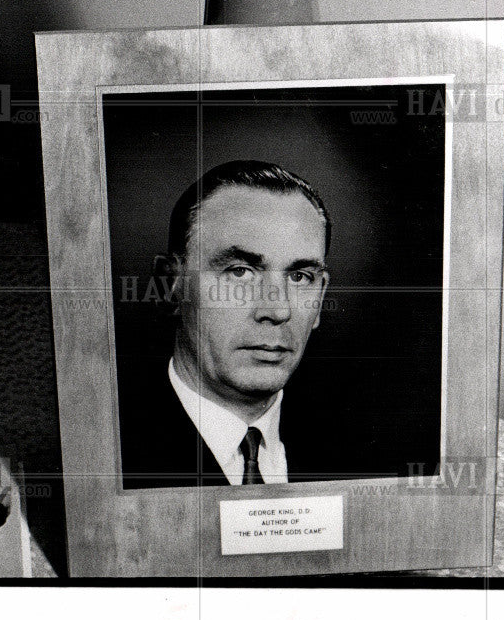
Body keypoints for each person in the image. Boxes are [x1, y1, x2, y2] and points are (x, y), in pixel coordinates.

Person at [119, 160, 340, 489]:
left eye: (299, 276)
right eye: (240, 272)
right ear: (170, 285)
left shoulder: (361, 452)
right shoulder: (107, 453)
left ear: (320, 298)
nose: (277, 310)